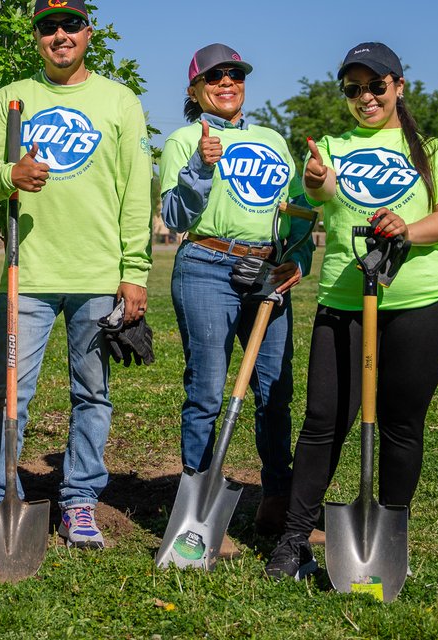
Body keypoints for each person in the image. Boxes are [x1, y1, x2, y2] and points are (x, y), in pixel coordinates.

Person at [265, 41, 438, 580]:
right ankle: (292, 540)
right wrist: (314, 185)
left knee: (402, 424)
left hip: (421, 302)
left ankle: (389, 536)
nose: (365, 97)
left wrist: (407, 228)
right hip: (344, 301)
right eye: (353, 89)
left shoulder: (433, 149)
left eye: (376, 85)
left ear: (399, 86)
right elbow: (308, 204)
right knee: (324, 422)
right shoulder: (328, 146)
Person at [0, 0, 153, 549]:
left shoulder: (121, 102)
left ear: (89, 32)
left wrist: (135, 269)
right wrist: (8, 177)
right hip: (31, 275)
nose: (60, 36)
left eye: (71, 25)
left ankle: (79, 502)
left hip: (98, 277)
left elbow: (135, 193)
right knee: (9, 394)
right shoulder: (11, 99)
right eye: (49, 28)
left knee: (92, 394)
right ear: (37, 38)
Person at [158, 43, 313, 549]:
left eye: (236, 76)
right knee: (206, 387)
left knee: (275, 387)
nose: (227, 83)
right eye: (215, 77)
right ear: (195, 88)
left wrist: (299, 260)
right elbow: (175, 219)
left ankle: (277, 500)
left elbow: (296, 212)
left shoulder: (272, 138)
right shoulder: (183, 140)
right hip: (205, 264)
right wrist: (200, 168)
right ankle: (198, 499)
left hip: (268, 269)